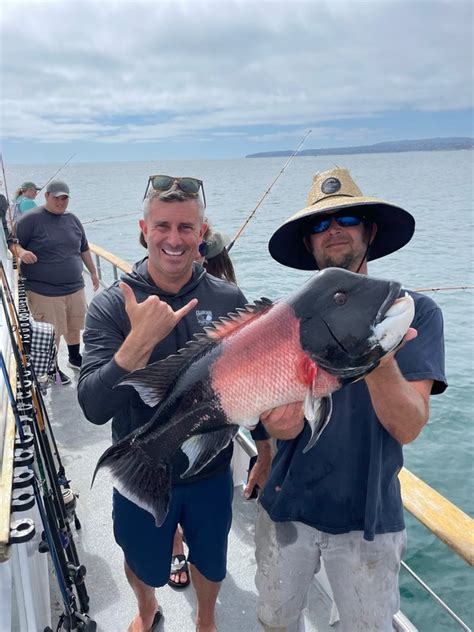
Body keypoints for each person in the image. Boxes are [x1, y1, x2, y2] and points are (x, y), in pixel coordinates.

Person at [255, 167, 447, 632]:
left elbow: (408, 426)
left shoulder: (410, 312)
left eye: (348, 218)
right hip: (286, 505)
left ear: (370, 230)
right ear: (308, 243)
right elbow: (274, 418)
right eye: (319, 225)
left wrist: (378, 353)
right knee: (275, 621)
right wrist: (273, 428)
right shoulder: (286, 319)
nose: (333, 230)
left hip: (369, 520)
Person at [77, 176, 272, 632]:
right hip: (139, 468)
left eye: (186, 227)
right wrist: (137, 344)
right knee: (140, 560)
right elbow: (91, 405)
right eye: (162, 226)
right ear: (143, 229)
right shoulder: (112, 305)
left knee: (211, 557)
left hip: (209, 470)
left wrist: (263, 450)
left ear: (201, 234)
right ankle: (147, 608)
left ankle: (206, 618)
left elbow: (257, 380)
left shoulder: (228, 299)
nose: (173, 238)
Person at [168, 224, 241, 590]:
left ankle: (186, 551)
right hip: (180, 404)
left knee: (201, 491)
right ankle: (176, 547)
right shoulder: (166, 290)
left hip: (215, 413)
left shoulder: (227, 295)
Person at [15, 179, 99, 385]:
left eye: (65, 198)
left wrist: (94, 273)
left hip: (74, 286)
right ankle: (51, 368)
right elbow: (13, 244)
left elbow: (84, 248)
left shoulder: (73, 219)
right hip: (44, 291)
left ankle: (74, 358)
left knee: (73, 325)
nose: (61, 202)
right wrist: (22, 252)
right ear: (46, 196)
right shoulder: (30, 219)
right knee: (52, 332)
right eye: (56, 198)